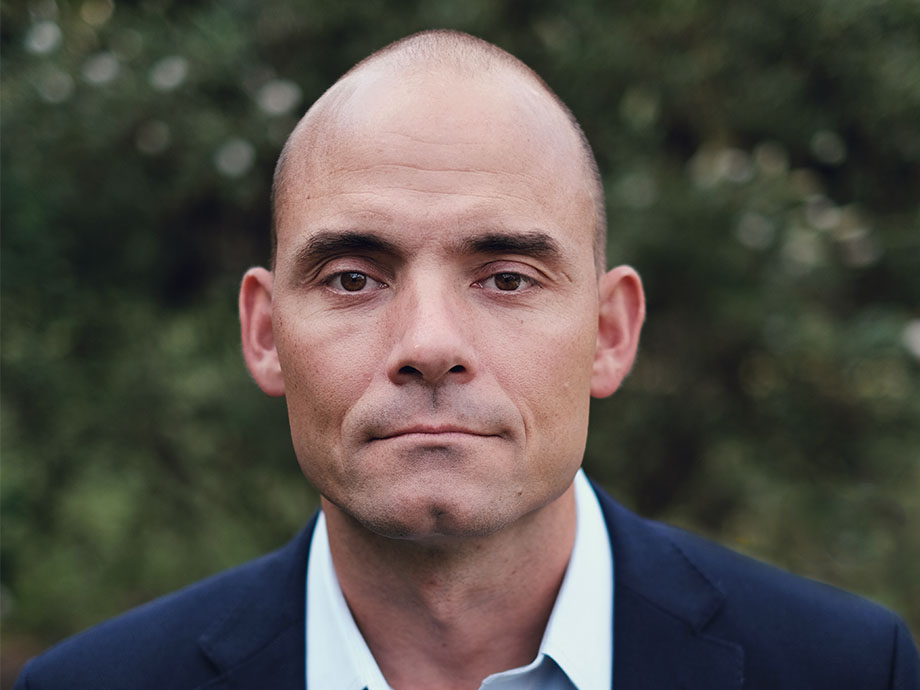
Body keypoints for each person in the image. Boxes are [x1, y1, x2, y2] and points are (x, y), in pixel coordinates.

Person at [15, 30, 919, 690]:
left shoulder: (844, 670)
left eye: (509, 278)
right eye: (355, 277)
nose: (430, 345)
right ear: (264, 333)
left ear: (610, 332)